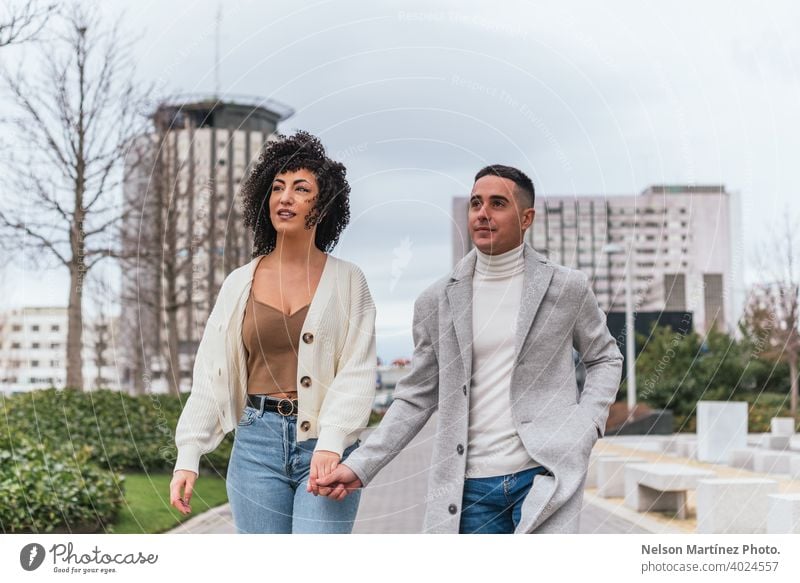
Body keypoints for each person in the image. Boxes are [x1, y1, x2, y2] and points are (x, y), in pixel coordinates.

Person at [313, 164, 623, 534]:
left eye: (497, 203)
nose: (482, 213)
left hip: (543, 475)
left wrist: (585, 426)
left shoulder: (566, 287)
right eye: (475, 203)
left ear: (527, 217)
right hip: (468, 489)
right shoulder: (438, 300)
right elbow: (416, 396)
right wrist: (362, 464)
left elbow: (605, 357)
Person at [169, 130, 377, 533]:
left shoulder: (350, 281)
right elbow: (211, 374)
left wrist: (333, 441)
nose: (285, 197)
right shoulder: (237, 283)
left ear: (324, 203)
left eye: (301, 189)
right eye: (277, 187)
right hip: (255, 448)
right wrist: (189, 454)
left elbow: (357, 369)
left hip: (325, 448)